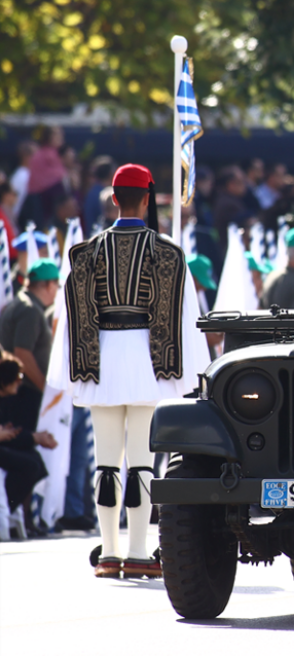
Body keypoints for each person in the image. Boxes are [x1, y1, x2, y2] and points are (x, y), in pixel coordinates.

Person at [48, 163, 209, 578]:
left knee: (106, 462)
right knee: (141, 462)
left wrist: (73, 369)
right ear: (148, 197)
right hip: (148, 365)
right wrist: (189, 371)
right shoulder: (169, 252)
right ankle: (138, 552)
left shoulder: (84, 253)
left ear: (114, 199)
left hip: (99, 363)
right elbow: (185, 317)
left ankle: (108, 553)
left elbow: (71, 320)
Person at [0, 352, 56, 535]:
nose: (20, 382)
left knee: (35, 461)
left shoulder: (11, 400)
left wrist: (31, 437)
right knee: (30, 465)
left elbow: (11, 431)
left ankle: (13, 512)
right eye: (18, 378)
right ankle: (7, 509)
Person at [0, 259, 59, 409]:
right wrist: (45, 391)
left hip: (17, 392)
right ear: (49, 285)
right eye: (57, 286)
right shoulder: (30, 310)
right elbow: (22, 353)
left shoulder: (20, 302)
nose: (57, 291)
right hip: (24, 396)